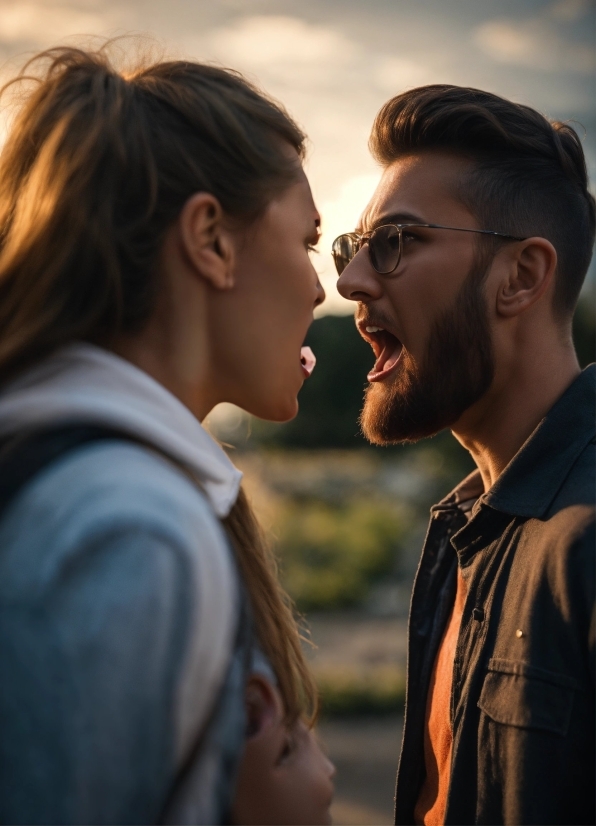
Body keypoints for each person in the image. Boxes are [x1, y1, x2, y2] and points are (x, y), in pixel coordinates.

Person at [0, 44, 334, 825]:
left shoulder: (91, 484)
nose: (325, 288)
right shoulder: (129, 529)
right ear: (211, 239)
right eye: (310, 240)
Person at [333, 85, 595, 825]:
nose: (351, 282)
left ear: (520, 277)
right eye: (354, 249)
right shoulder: (468, 528)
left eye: (398, 241)